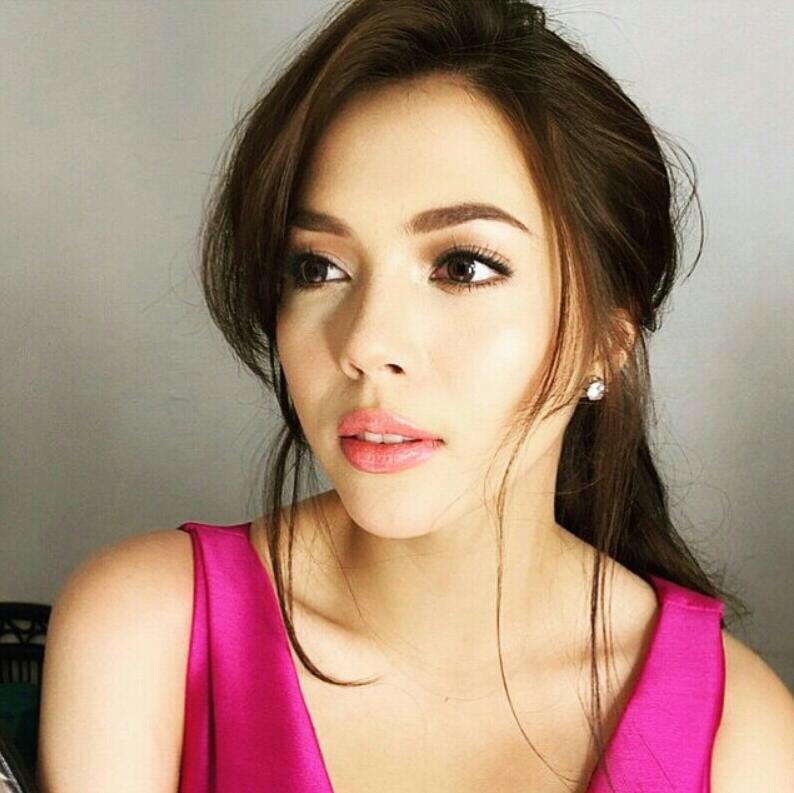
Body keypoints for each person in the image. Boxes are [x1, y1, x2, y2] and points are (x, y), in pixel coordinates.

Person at [36, 1, 794, 791]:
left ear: (607, 335)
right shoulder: (148, 634)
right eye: (318, 268)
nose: (366, 342)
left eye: (462, 266)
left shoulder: (738, 737)